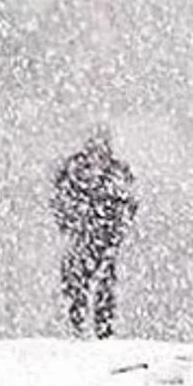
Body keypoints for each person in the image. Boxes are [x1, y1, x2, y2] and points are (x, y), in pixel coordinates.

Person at [51, 127, 138, 339]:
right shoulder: (74, 172)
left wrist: (117, 230)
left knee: (103, 284)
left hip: (103, 238)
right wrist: (71, 223)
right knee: (76, 281)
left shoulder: (114, 175)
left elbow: (128, 205)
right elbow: (60, 202)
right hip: (84, 236)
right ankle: (77, 328)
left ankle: (101, 330)